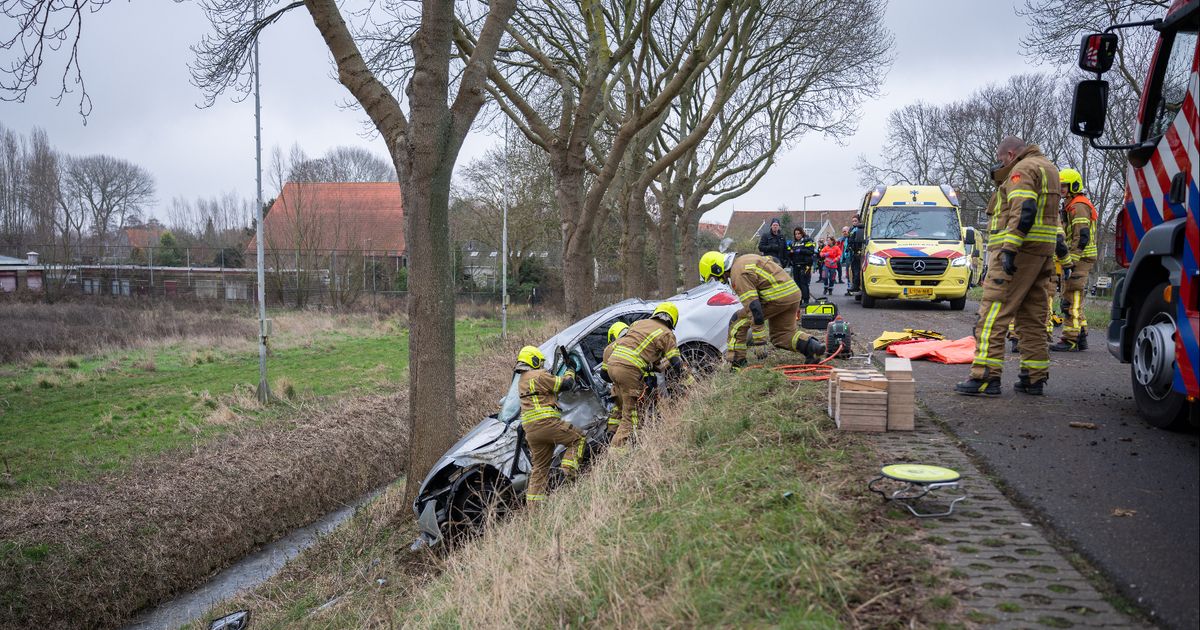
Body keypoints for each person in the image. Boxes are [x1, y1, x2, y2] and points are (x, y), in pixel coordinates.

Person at [956, 136, 1060, 397]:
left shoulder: (1022, 169)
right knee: (1032, 317)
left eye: (1002, 159)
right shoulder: (1049, 168)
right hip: (1042, 254)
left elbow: (1024, 208)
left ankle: (985, 376)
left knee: (991, 315)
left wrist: (1010, 249)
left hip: (1017, 255)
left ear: (1011, 154)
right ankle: (1033, 377)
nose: (1000, 163)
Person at [698, 250, 825, 368]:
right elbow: (773, 261)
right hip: (792, 294)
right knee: (782, 335)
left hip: (776, 298)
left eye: (713, 277)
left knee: (737, 321)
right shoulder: (744, 259)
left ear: (717, 268)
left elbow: (754, 309)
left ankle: (737, 363)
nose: (719, 281)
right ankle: (812, 347)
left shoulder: (738, 273)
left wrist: (760, 342)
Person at [604, 303, 687, 448]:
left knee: (624, 411)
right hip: (628, 370)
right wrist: (688, 382)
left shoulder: (638, 323)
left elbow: (640, 349)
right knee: (631, 418)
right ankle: (616, 457)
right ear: (672, 320)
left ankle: (634, 444)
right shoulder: (667, 333)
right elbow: (676, 363)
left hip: (613, 366)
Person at [515, 345, 585, 504]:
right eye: (539, 362)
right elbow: (565, 384)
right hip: (546, 424)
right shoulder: (538, 375)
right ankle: (567, 475)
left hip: (531, 431)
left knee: (539, 468)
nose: (541, 366)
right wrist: (571, 370)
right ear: (533, 360)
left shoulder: (522, 381)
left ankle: (534, 509)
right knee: (578, 439)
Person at [1050, 168, 1098, 352]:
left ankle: (1070, 339)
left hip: (1080, 258)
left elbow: (1082, 237)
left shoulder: (1078, 206)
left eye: (1064, 185)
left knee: (1071, 298)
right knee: (1072, 296)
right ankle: (1082, 335)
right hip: (1078, 257)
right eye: (1060, 185)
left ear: (1073, 186)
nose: (1061, 189)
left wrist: (1071, 261)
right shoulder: (1071, 204)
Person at [599, 321, 629, 436]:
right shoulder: (634, 341)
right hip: (641, 380)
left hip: (622, 387)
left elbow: (604, 374)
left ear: (613, 335)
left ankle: (612, 434)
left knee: (621, 411)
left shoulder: (610, 348)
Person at [788, 227, 816, 305]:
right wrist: (790, 252)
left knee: (804, 283)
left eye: (799, 233)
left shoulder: (807, 240)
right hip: (795, 265)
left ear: (802, 233)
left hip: (805, 265)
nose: (797, 235)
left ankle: (806, 300)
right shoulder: (792, 242)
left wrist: (800, 250)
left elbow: (811, 251)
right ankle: (799, 300)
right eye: (796, 234)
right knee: (797, 283)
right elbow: (788, 251)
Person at [846, 217, 865, 295]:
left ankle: (856, 285)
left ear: (859, 221)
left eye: (855, 221)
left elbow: (857, 241)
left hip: (857, 252)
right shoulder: (852, 229)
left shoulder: (859, 229)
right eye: (853, 221)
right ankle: (854, 284)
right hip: (852, 252)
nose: (854, 222)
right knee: (853, 270)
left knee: (857, 270)